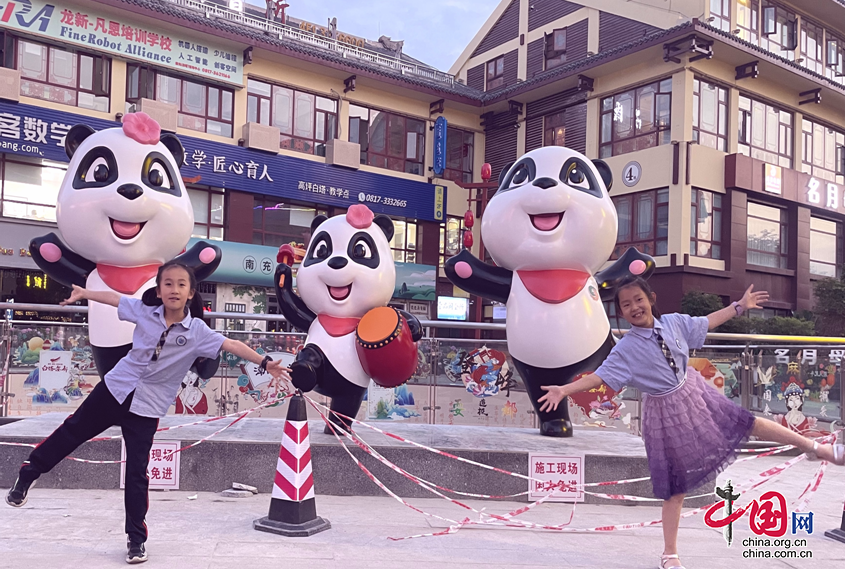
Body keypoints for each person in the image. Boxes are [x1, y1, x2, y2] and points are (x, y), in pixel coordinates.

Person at [538, 277, 844, 570]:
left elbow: (708, 321)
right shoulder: (626, 348)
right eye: (626, 305)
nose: (634, 307)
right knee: (675, 486)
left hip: (694, 392)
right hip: (664, 414)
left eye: (638, 300)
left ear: (651, 300)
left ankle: (817, 447)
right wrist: (563, 390)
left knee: (748, 422)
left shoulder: (674, 322)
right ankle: (669, 553)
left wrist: (739, 305)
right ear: (620, 312)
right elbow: (600, 376)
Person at [5, 261, 291, 564]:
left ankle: (136, 540)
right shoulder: (145, 310)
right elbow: (117, 299)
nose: (174, 289)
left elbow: (231, 343)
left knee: (137, 472)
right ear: (159, 289)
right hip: (116, 388)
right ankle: (29, 473)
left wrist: (265, 362)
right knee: (72, 431)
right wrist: (85, 292)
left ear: (191, 292)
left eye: (181, 284)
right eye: (168, 283)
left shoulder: (197, 332)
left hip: (148, 405)